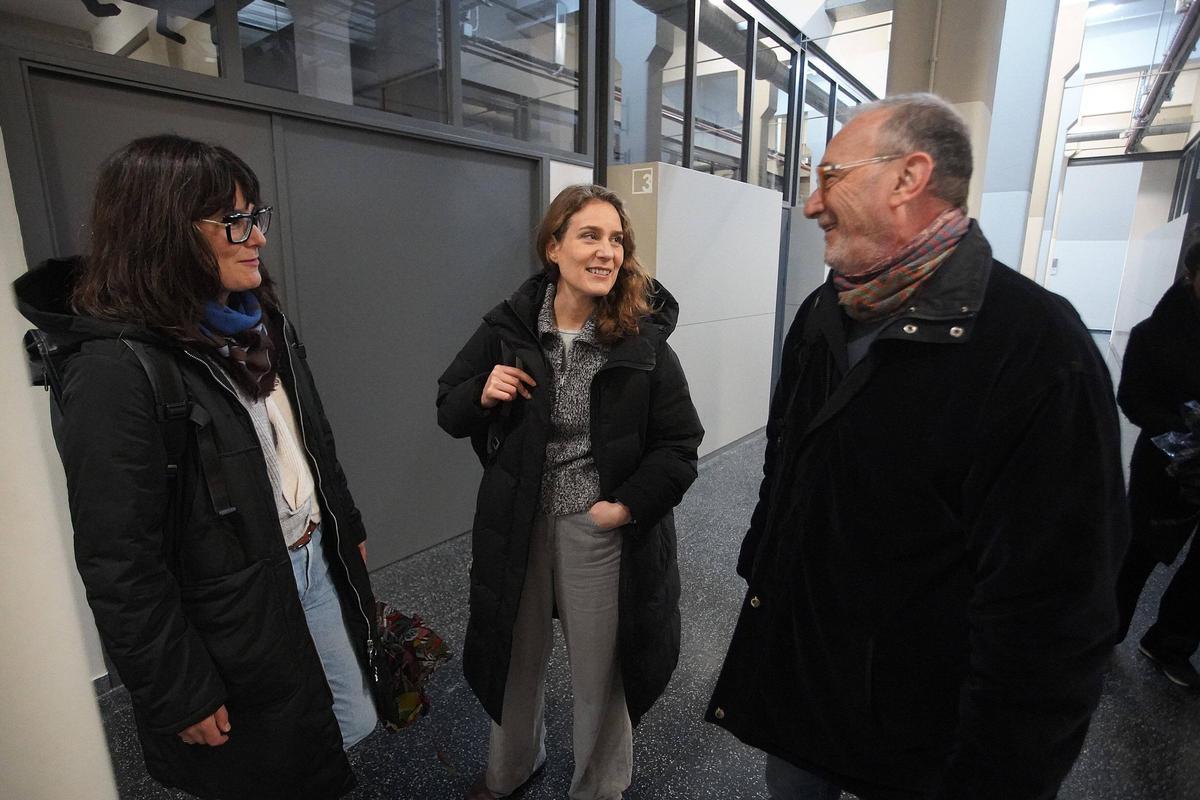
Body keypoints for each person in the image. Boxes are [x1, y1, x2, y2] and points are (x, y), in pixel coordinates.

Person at [705, 94, 1129, 800]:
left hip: (926, 731)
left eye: (830, 176)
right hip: (806, 682)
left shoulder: (1038, 350)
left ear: (909, 178)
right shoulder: (824, 311)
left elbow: (1054, 615)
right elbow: (787, 457)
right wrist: (764, 563)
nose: (812, 204)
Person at [14, 135, 388, 799]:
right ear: (163, 231)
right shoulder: (114, 370)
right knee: (266, 768)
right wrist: (176, 688)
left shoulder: (257, 319)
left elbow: (310, 439)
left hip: (311, 558)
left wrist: (344, 524)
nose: (257, 237)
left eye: (255, 216)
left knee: (352, 719)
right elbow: (118, 557)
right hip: (229, 605)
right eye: (234, 221)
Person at [437, 184, 703, 800]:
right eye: (590, 235)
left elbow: (680, 444)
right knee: (514, 658)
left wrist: (625, 506)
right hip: (519, 522)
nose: (607, 251)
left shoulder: (642, 340)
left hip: (600, 528)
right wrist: (481, 391)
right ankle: (510, 769)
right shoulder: (508, 329)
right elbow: (449, 407)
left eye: (617, 240)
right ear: (553, 247)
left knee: (600, 673)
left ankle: (597, 788)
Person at [1114, 241, 1200, 690]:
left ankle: (1170, 643)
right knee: (1138, 552)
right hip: (1166, 467)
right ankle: (1104, 632)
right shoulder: (1153, 334)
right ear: (1191, 275)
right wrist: (1182, 429)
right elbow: (1131, 398)